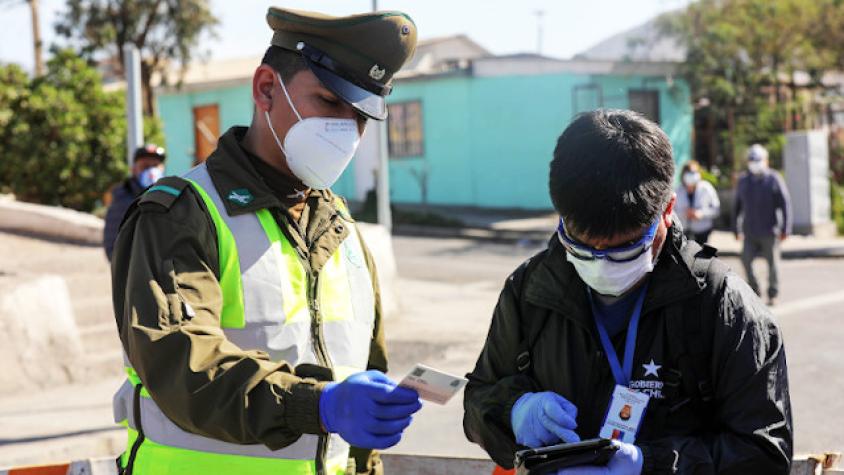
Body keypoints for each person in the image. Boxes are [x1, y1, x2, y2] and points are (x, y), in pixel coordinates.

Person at [110, 7, 420, 475]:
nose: (347, 132)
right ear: (266, 89)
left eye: (359, 116)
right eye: (329, 102)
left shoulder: (343, 231)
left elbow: (364, 382)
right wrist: (315, 405)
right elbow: (181, 362)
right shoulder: (182, 214)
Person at [463, 110, 792, 474]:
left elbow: (764, 453)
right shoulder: (531, 289)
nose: (601, 264)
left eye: (625, 250)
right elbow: (479, 397)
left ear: (667, 210)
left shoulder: (722, 305)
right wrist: (513, 413)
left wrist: (647, 465)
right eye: (582, 249)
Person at [733, 144, 792, 306]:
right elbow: (737, 206)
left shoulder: (774, 179)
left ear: (766, 161)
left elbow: (785, 204)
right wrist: (736, 229)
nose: (755, 163)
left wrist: (786, 228)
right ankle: (754, 289)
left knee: (773, 264)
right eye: (752, 160)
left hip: (770, 231)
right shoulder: (744, 181)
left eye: (758, 160)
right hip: (750, 231)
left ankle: (773, 293)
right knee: (745, 259)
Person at [102, 144, 165, 261]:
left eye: (155, 165)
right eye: (145, 166)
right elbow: (112, 247)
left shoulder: (172, 194)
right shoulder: (121, 199)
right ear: (134, 169)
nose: (151, 171)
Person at [673, 160, 720, 244]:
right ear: (684, 174)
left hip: (702, 231)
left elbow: (716, 210)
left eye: (694, 172)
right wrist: (684, 213)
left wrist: (701, 213)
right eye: (689, 172)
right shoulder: (677, 190)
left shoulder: (706, 188)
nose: (692, 175)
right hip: (683, 232)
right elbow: (672, 212)